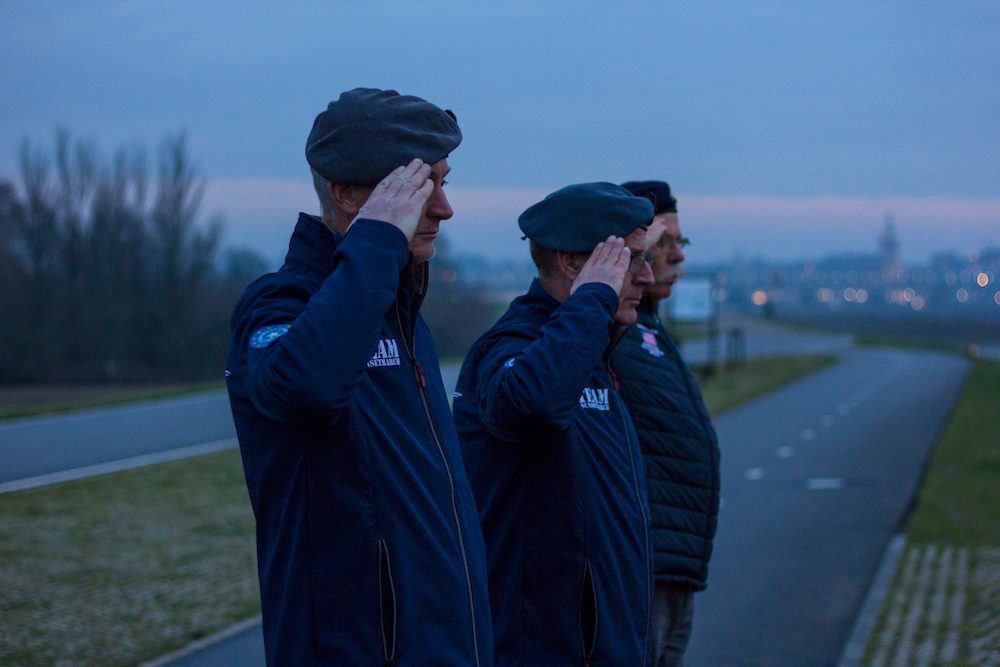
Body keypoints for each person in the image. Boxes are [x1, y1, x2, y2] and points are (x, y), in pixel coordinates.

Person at [225, 88, 492, 666]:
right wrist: (377, 241)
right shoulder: (279, 307)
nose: (445, 209)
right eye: (422, 189)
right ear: (345, 193)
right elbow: (299, 386)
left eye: (446, 182)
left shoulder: (403, 313)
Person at [453, 182, 656, 665]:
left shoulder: (592, 354)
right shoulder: (510, 348)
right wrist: (593, 301)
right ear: (572, 264)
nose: (645, 277)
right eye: (630, 260)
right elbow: (533, 401)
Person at [613, 180, 720, 666]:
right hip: (643, 569)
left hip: (675, 567)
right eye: (665, 243)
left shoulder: (650, 326)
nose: (678, 257)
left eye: (681, 243)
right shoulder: (612, 332)